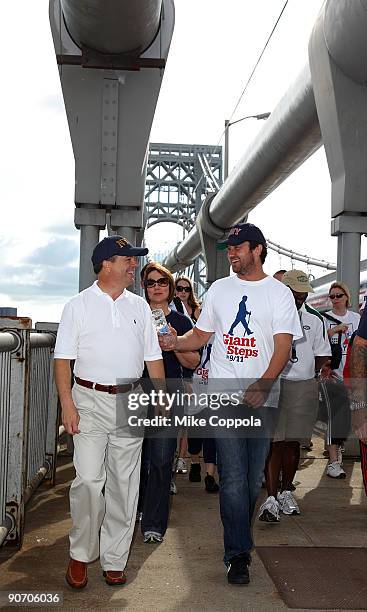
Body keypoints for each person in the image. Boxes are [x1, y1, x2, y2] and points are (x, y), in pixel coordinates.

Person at [160, 222, 302, 585]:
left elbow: (283, 347)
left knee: (253, 479)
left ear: (257, 249)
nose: (231, 254)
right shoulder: (219, 290)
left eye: (238, 248)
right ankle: (238, 554)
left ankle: (240, 540)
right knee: (235, 477)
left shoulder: (279, 294)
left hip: (263, 399)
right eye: (229, 249)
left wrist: (265, 382)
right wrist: (176, 343)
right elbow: (201, 335)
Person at [54, 236, 164, 589]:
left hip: (130, 400)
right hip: (87, 399)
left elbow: (152, 357)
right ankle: (81, 553)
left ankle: (114, 559)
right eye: (127, 260)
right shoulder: (77, 306)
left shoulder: (140, 308)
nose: (134, 266)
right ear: (106, 264)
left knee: (124, 484)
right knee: (87, 480)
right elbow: (62, 360)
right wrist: (67, 405)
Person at [258, 269, 331, 522]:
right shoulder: (268, 316)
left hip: (302, 385)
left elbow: (323, 354)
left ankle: (286, 491)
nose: (300, 298)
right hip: (277, 384)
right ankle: (270, 497)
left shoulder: (315, 318)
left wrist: (308, 371)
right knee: (275, 442)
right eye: (295, 293)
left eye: (303, 294)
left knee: (292, 442)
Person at [139, 262, 200, 543]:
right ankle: (137, 510)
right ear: (144, 287)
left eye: (162, 282)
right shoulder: (135, 316)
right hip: (136, 393)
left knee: (162, 460)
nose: (157, 287)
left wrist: (173, 345)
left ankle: (154, 523)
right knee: (135, 459)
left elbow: (194, 361)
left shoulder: (181, 321)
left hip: (170, 395)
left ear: (171, 287)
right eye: (151, 283)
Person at [323, 282, 360, 477]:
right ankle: (333, 461)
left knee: (350, 417)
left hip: (352, 376)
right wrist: (335, 330)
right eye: (332, 296)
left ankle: (337, 447)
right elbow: (319, 342)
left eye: (339, 295)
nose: (335, 299)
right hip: (333, 375)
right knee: (336, 417)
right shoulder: (324, 319)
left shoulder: (356, 318)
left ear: (347, 297)